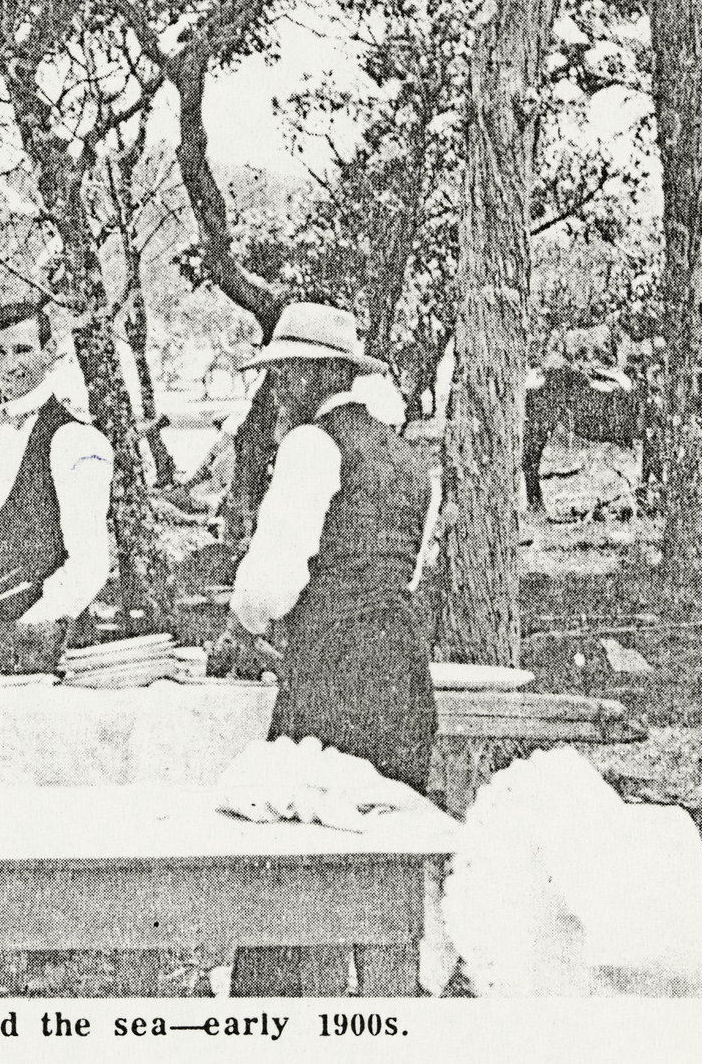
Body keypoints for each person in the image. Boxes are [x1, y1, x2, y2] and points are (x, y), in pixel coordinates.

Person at [227, 303, 439, 997]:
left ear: (318, 373)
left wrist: (247, 626)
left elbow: (269, 586)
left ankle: (288, 1017)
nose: (279, 390)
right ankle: (390, 1008)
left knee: (297, 857)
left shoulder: (312, 446)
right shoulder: (410, 459)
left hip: (333, 670)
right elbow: (404, 574)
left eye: (285, 375)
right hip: (401, 672)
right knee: (382, 857)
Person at [0, 301, 112, 633]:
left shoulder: (76, 440)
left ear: (49, 351)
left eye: (22, 350)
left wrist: (24, 633)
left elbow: (90, 565)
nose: (9, 366)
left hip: (53, 636)